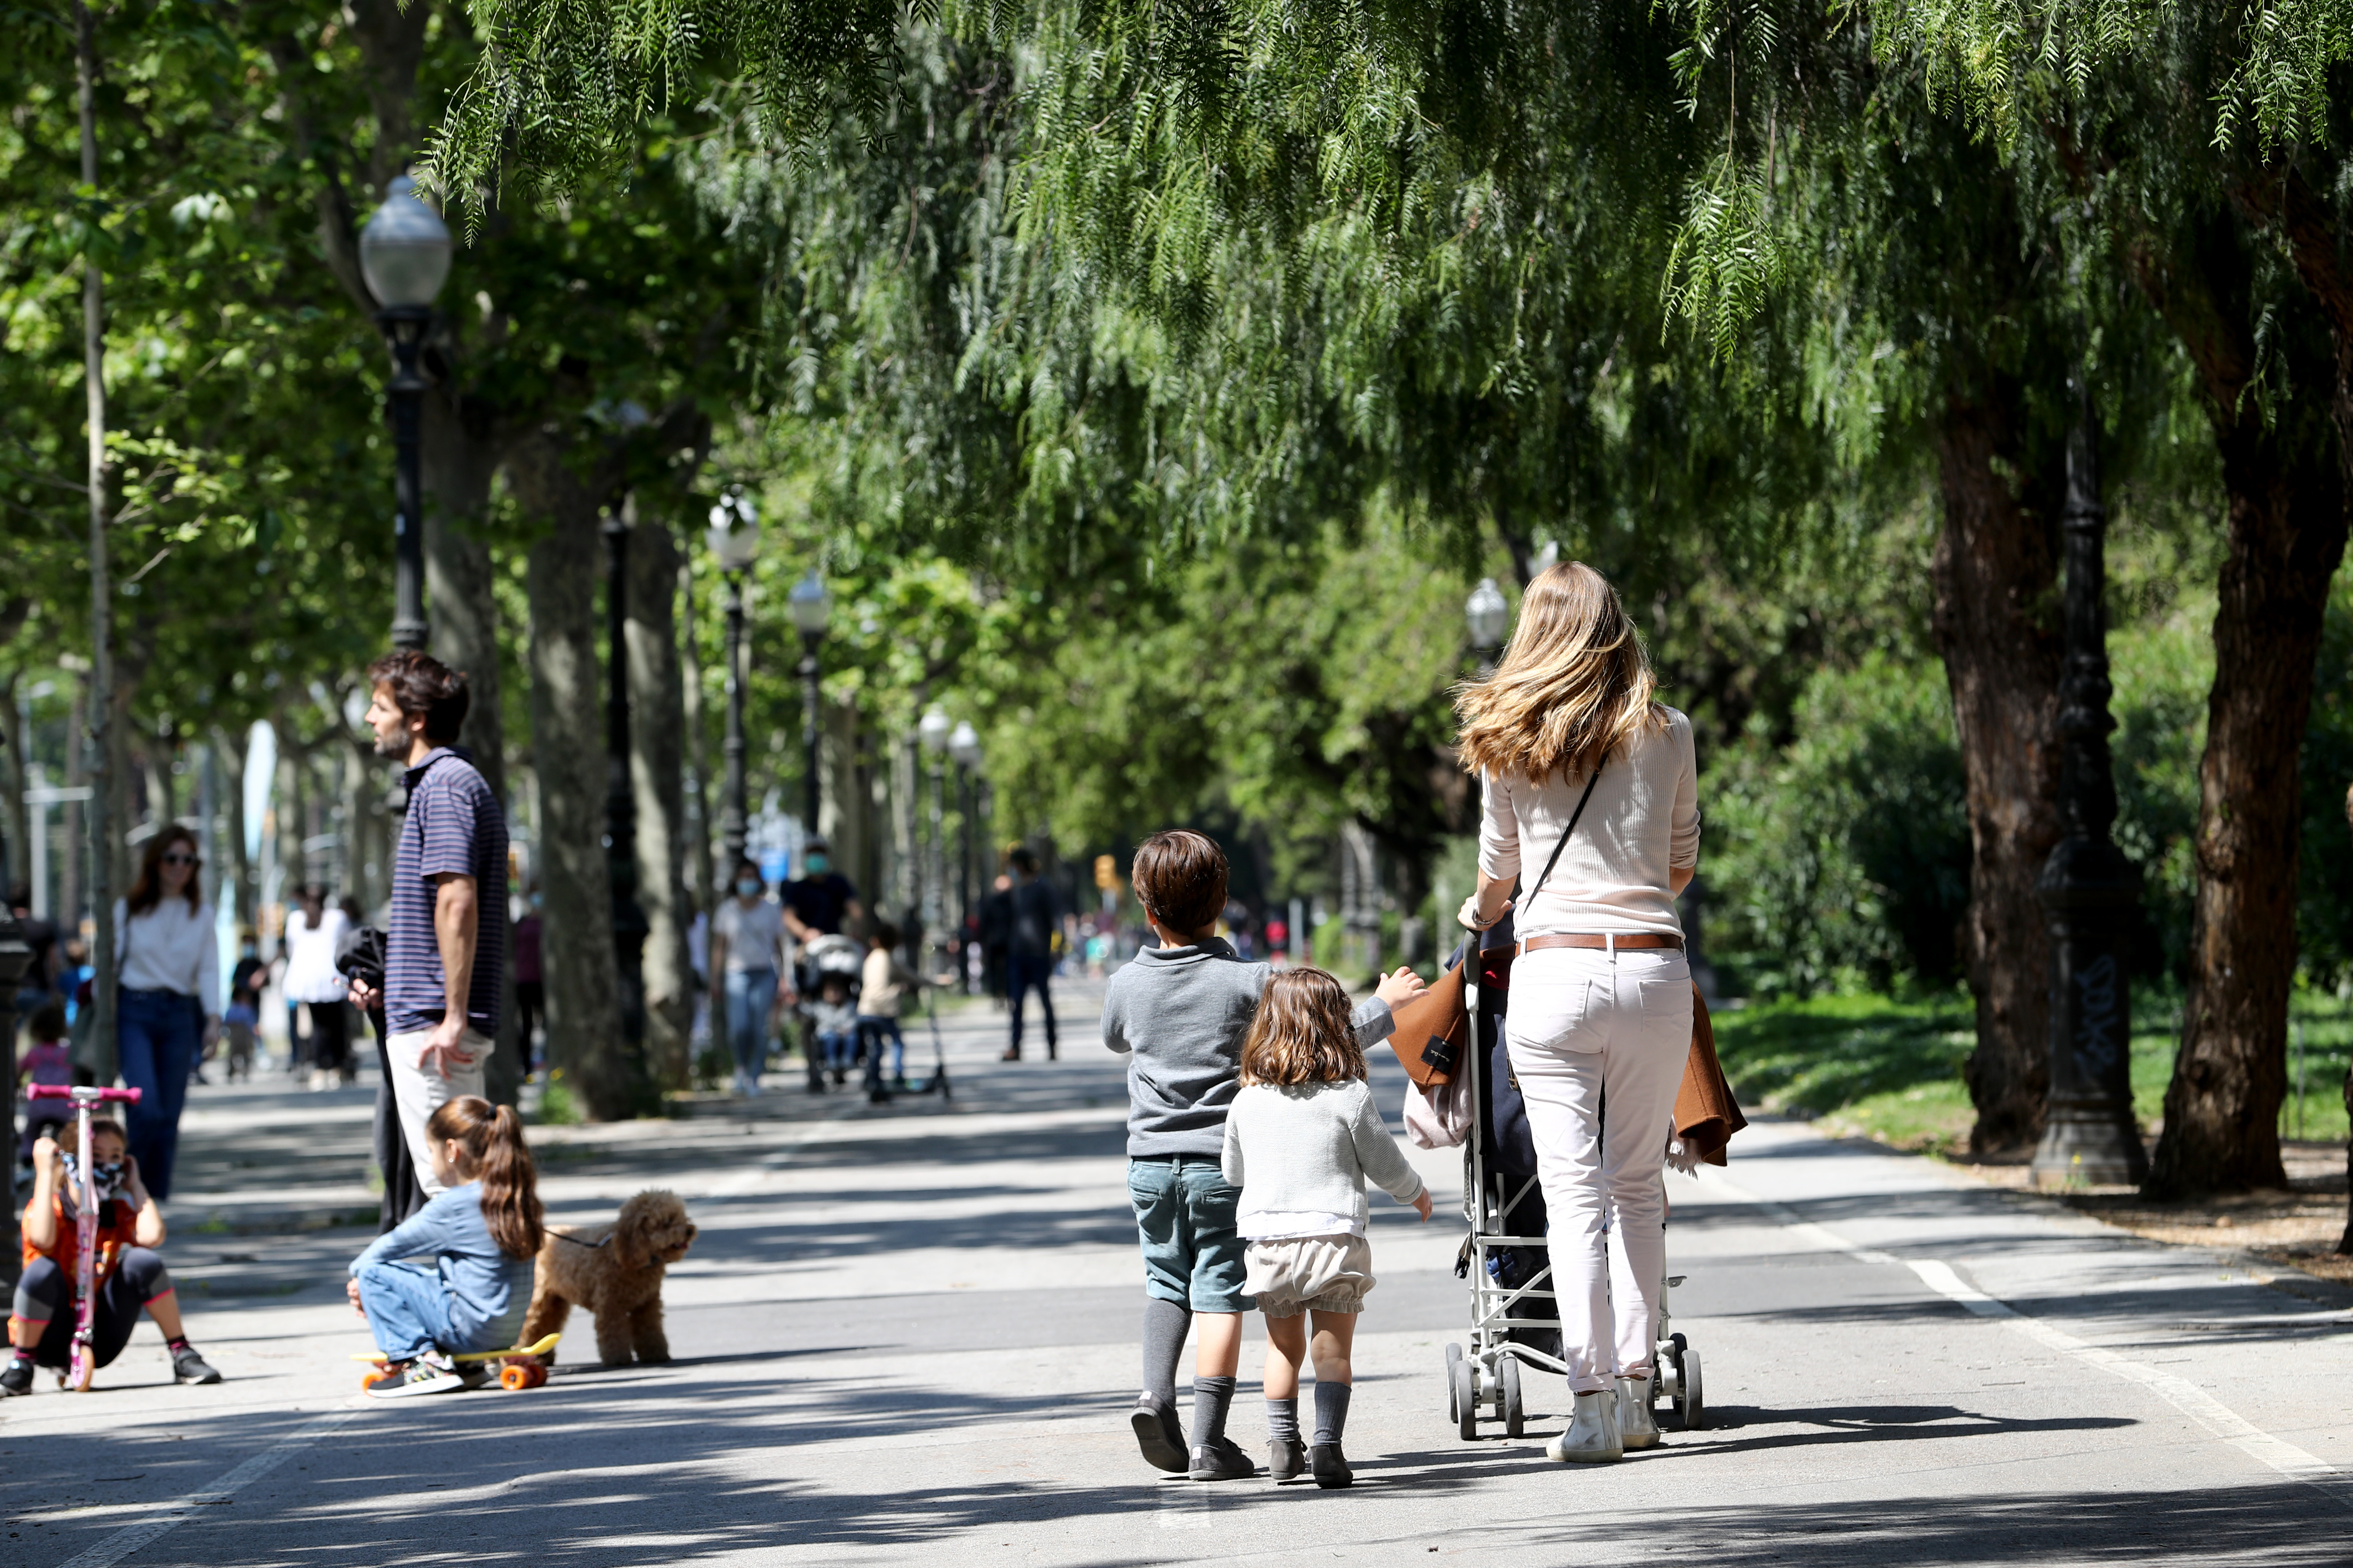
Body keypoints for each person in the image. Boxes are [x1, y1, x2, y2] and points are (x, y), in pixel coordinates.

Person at [1454, 562, 1700, 1465]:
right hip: (1650, 973)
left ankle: (1590, 1402)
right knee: (1639, 1187)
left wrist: (1475, 919)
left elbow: (1498, 879)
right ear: (1615, 628)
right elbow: (1678, 869)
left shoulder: (1505, 736)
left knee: (1573, 1195)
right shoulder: (1669, 733)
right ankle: (1638, 1392)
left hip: (1552, 977)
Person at [1100, 828, 1424, 1481]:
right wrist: (1384, 1008)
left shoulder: (1126, 984)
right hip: (1222, 1165)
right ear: (1221, 900)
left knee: (1167, 1284)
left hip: (1148, 1166)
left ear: (1144, 906)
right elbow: (1321, 1038)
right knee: (1219, 1293)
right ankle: (1205, 1441)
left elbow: (1115, 1039)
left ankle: (1153, 1394)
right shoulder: (1249, 980)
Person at [1223, 967, 1433, 1487]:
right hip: (1334, 1239)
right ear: (1338, 1026)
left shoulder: (1247, 1099)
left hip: (1269, 1243)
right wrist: (1416, 1193)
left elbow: (1233, 1171)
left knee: (1282, 1350)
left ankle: (1281, 1446)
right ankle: (1327, 1447)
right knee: (1331, 1350)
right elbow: (1384, 1162)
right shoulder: (1348, 1095)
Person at [346, 650, 509, 1200]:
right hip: (430, 1016)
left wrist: (452, 1016)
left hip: (436, 1028)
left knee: (455, 1189)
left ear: (415, 719)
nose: (370, 718)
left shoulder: (444, 786)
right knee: (464, 1188)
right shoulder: (446, 784)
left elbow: (457, 901)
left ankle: (490, 1289)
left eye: (379, 706)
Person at [5, 1117, 222, 1392]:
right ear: (71, 1160)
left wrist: (136, 1186)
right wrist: (46, 1174)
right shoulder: (51, 1209)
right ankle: (21, 1365)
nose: (105, 1164)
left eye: (115, 1156)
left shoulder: (115, 1211)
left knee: (143, 1261)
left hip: (101, 1336)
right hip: (47, 1336)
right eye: (95, 1156)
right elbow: (42, 1239)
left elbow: (152, 1237)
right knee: (42, 1269)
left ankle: (183, 1354)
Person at [346, 1095, 540, 1398]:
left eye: (430, 1151)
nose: (430, 1160)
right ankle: (468, 1369)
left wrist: (362, 1285)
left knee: (373, 1273)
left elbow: (377, 1254)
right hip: (506, 1330)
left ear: (452, 1150)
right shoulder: (515, 1196)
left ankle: (422, 1363)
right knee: (431, 1276)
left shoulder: (454, 1205)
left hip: (469, 1331)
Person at [113, 825, 219, 1201]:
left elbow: (208, 967)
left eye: (188, 860)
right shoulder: (129, 908)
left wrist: (213, 1019)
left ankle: (153, 1202)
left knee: (169, 1116)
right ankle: (122, 1183)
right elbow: (108, 964)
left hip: (179, 1014)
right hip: (135, 1010)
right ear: (156, 862)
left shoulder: (201, 913)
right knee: (146, 1106)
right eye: (172, 858)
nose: (180, 867)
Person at [711, 859, 785, 1098]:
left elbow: (779, 945)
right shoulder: (726, 910)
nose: (747, 881)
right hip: (736, 974)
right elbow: (719, 948)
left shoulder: (770, 909)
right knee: (739, 1028)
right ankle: (740, 1067)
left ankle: (755, 1076)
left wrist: (785, 977)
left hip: (765, 973)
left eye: (752, 876)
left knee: (758, 1028)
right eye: (743, 876)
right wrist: (715, 978)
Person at [283, 886, 355, 1089]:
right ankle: (335, 1065)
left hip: (306, 979)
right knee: (336, 1024)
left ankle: (317, 1065)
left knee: (313, 1026)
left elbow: (291, 947)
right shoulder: (337, 917)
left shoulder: (296, 919)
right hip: (331, 978)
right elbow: (346, 944)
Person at [1002, 847, 1063, 1062]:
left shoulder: (1042, 886)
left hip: (1039, 954)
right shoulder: (1015, 890)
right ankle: (1015, 1047)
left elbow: (1057, 919)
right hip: (1018, 953)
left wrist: (1057, 947)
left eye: (1015, 865)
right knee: (1017, 1002)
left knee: (1045, 1001)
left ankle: (1052, 1045)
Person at [856, 922, 921, 1102]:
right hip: (883, 1009)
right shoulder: (889, 959)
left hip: (866, 1008)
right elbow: (912, 976)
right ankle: (899, 1076)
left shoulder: (870, 958)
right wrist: (937, 983)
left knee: (875, 1048)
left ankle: (874, 1081)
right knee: (897, 1043)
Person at [17, 1001, 73, 1163]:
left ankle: (28, 1158)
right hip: (63, 1106)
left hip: (39, 1105)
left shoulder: (35, 1052)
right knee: (66, 1134)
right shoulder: (66, 1052)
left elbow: (19, 1071)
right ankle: (66, 1158)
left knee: (31, 1132)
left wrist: (19, 1085)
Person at [781, 838, 862, 944]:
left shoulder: (839, 882)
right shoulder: (797, 888)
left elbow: (854, 909)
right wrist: (806, 933)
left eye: (820, 853)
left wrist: (855, 929)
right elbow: (789, 917)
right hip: (807, 946)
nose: (816, 857)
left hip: (834, 943)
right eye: (812, 854)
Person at [224, 933, 266, 1082]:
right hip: (238, 1019)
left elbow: (267, 982)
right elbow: (234, 981)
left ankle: (250, 1065)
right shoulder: (240, 964)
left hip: (254, 1005)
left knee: (249, 1042)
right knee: (234, 1049)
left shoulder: (259, 964)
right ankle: (232, 1071)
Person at [513, 887, 545, 1074]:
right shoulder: (521, 923)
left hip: (542, 981)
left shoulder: (547, 924)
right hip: (524, 981)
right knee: (526, 1027)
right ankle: (526, 1067)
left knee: (544, 1025)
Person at [808, 973, 859, 1089]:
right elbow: (810, 1012)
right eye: (831, 991)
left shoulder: (850, 1006)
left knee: (852, 1037)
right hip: (828, 1033)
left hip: (845, 1033)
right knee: (830, 1038)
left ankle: (848, 1059)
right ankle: (831, 1060)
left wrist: (847, 1028)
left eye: (838, 991)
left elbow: (855, 1019)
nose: (834, 995)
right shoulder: (820, 1007)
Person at [978, 872, 1014, 1003]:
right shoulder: (1013, 902)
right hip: (1009, 941)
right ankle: (1009, 994)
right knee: (1009, 970)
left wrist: (983, 941)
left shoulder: (989, 902)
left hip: (993, 941)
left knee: (993, 970)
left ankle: (996, 995)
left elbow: (984, 923)